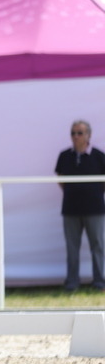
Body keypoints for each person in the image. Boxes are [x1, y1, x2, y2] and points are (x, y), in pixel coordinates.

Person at [54, 120, 105, 291]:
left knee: (97, 245)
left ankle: (99, 281)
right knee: (72, 247)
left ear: (88, 135)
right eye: (73, 133)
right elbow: (61, 179)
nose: (76, 136)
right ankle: (72, 282)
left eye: (80, 133)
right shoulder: (65, 156)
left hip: (95, 209)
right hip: (71, 209)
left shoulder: (98, 156)